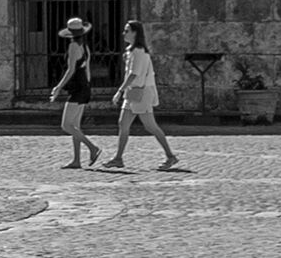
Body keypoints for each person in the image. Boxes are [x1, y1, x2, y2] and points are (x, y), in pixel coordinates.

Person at [106, 20, 184, 171]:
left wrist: (120, 91)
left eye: (127, 30)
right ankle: (118, 158)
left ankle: (170, 156)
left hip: (142, 92)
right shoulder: (131, 51)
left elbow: (134, 74)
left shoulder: (139, 52)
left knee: (150, 126)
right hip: (133, 92)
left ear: (135, 33)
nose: (124, 33)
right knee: (123, 124)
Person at [50, 17, 100, 169]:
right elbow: (87, 69)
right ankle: (77, 160)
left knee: (66, 125)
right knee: (75, 125)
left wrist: (58, 87)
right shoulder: (85, 46)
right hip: (85, 86)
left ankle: (92, 147)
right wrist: (87, 85)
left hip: (77, 89)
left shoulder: (73, 46)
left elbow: (71, 70)